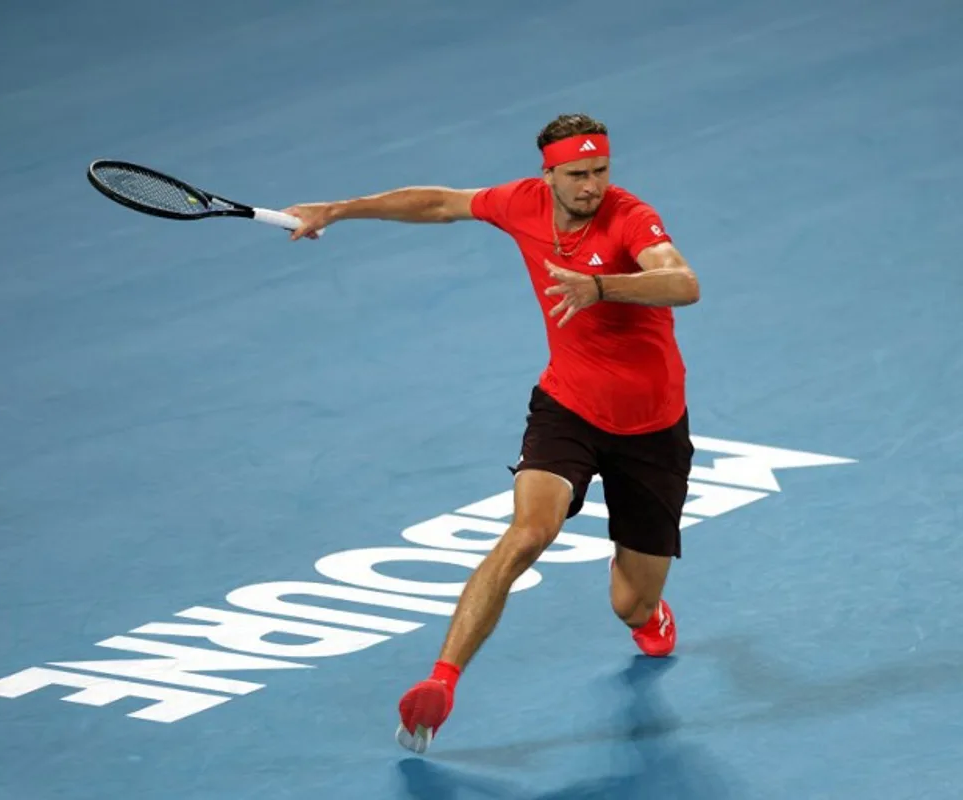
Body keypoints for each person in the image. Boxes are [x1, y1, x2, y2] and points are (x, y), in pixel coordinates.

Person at [281, 113, 701, 754]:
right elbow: (439, 203)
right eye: (577, 174)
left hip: (653, 430)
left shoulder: (628, 217)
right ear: (549, 174)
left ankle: (648, 613)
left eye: (600, 171)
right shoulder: (521, 204)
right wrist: (339, 210)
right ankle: (442, 681)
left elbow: (683, 281)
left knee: (631, 605)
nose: (592, 186)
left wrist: (598, 286)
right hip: (569, 407)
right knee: (530, 531)